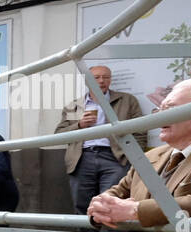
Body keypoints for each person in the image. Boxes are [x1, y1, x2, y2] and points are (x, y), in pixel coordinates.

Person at [87, 79, 191, 229]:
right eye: (158, 110)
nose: (159, 117)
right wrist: (100, 205)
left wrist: (136, 210)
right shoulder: (150, 156)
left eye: (169, 109)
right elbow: (118, 192)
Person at [54, 65, 146, 216]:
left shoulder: (127, 100)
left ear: (110, 80)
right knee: (82, 205)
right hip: (81, 159)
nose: (101, 81)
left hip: (115, 157)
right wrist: (79, 125)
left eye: (106, 77)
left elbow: (141, 131)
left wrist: (132, 157)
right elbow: (59, 134)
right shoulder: (75, 106)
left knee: (111, 204)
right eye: (96, 77)